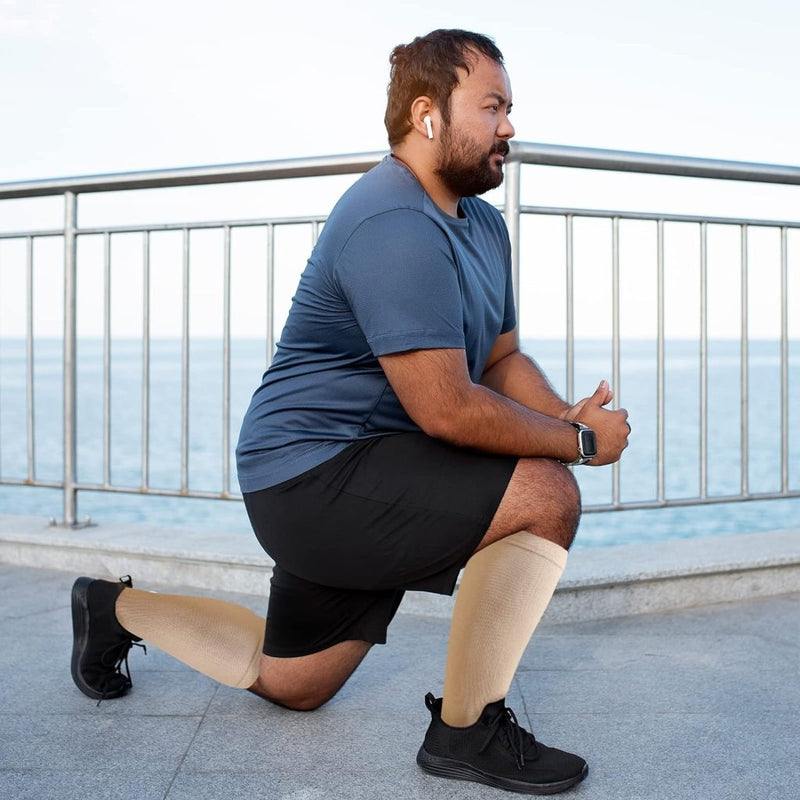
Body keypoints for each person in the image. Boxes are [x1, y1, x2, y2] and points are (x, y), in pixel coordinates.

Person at [70, 29, 629, 795]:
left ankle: (114, 609)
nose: (508, 127)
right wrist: (577, 442)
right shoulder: (391, 221)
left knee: (293, 683)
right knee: (545, 493)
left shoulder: (484, 224)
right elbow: (448, 411)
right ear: (428, 114)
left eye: (510, 108)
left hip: (372, 465)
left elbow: (499, 361)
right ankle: (467, 731)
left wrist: (564, 412)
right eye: (492, 106)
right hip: (313, 475)